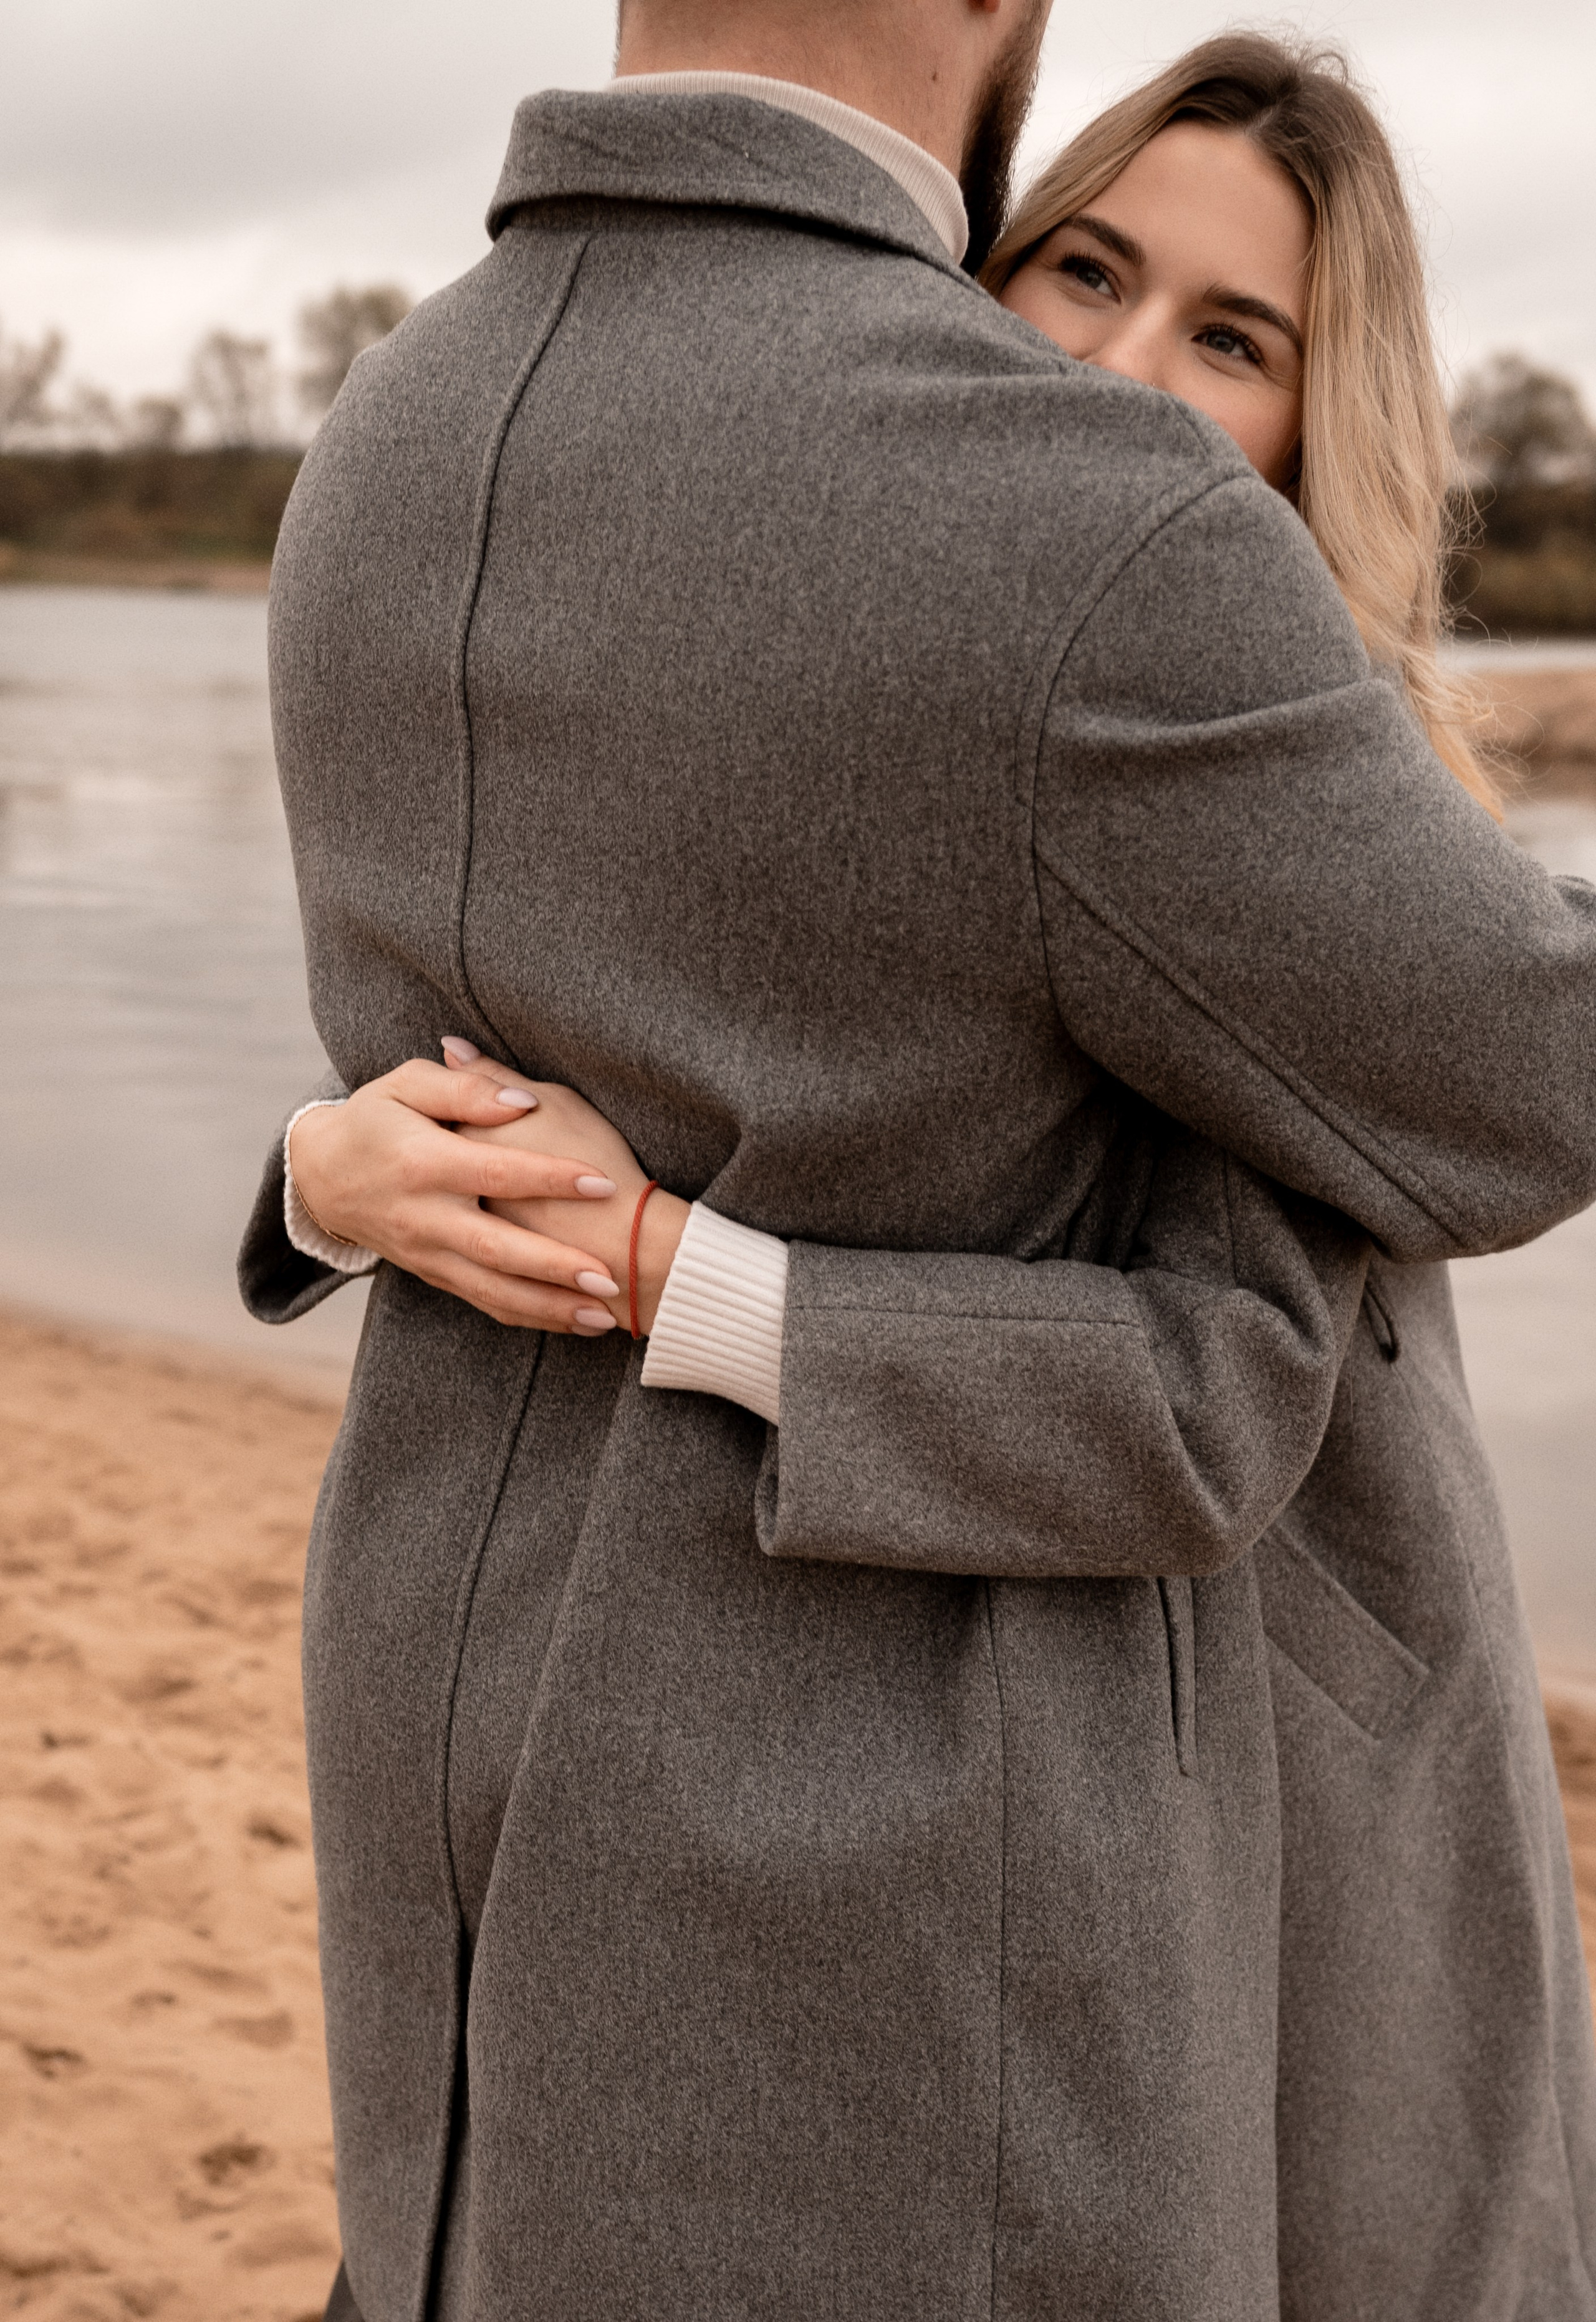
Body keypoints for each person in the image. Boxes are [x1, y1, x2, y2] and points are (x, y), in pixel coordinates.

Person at [238, 7, 1596, 2317]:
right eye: (1086, 274)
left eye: (1235, 335)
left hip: (1287, 1752)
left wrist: (678, 1261)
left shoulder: (397, 427)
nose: (1134, 366)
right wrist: (311, 1178)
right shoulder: (1081, 589)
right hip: (975, 1832)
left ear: (1323, 413)